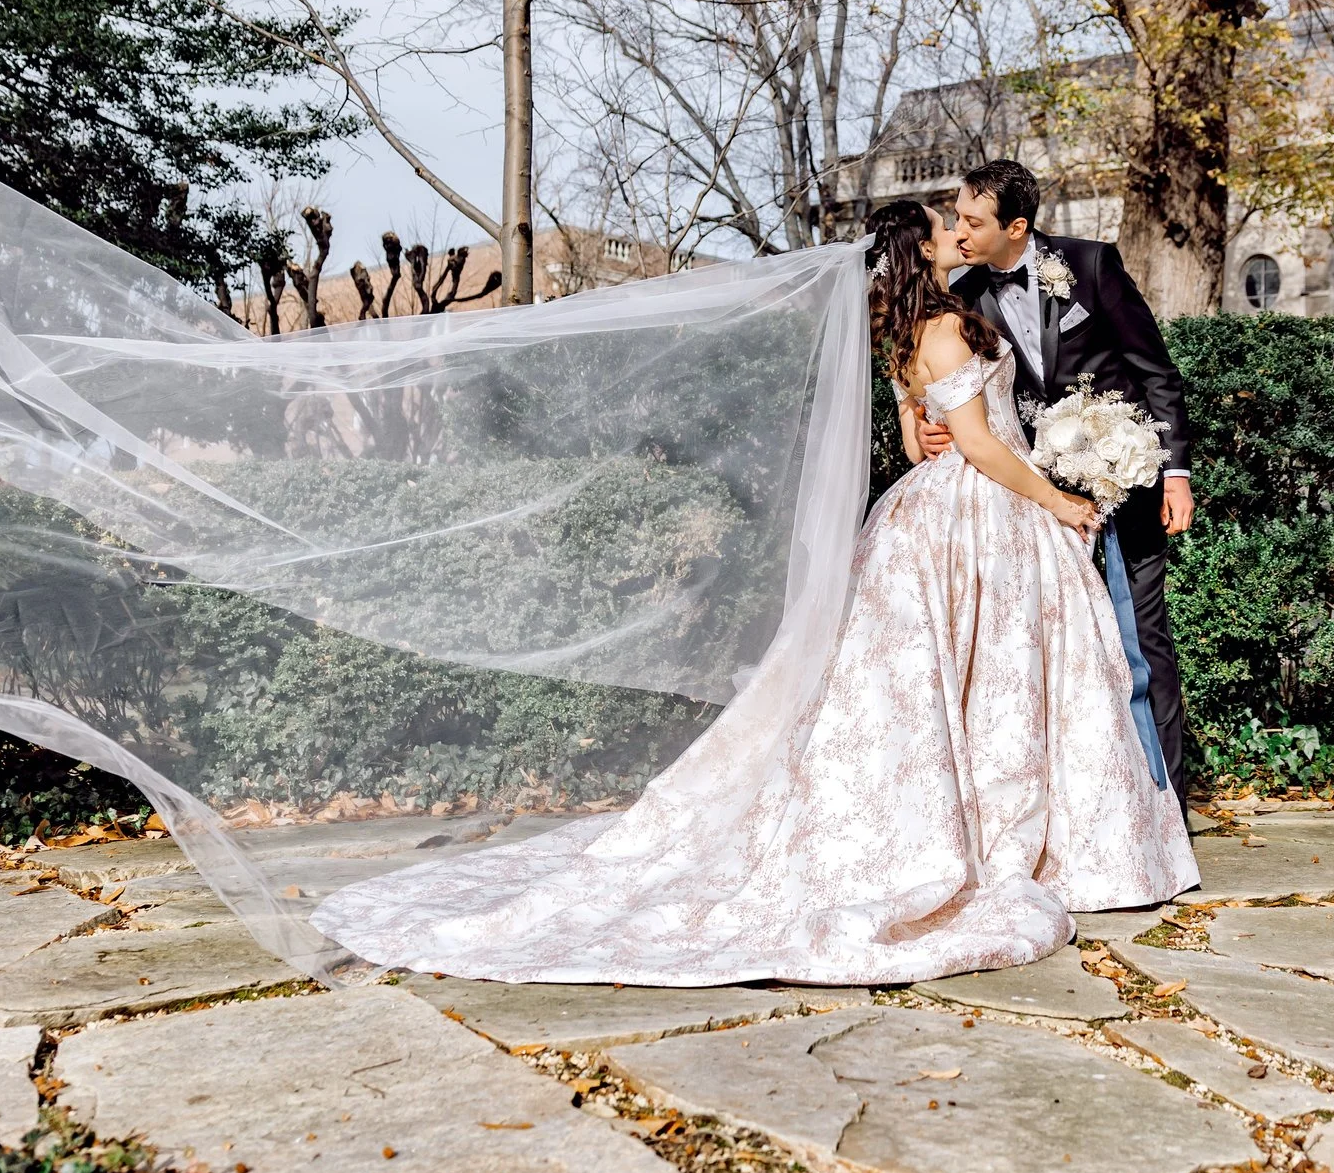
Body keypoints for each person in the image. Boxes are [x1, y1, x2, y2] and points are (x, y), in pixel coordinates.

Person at [309, 198, 1197, 983]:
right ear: (921, 252)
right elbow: (974, 442)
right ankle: (1003, 837)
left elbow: (912, 422)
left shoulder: (903, 330)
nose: (954, 234)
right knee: (994, 679)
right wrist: (1054, 497)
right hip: (983, 507)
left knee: (954, 683)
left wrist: (931, 433)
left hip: (940, 514)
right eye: (942, 229)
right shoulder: (945, 328)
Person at [937, 160, 1196, 802]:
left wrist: (1175, 471)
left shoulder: (1092, 265)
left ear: (1016, 227)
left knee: (1140, 639)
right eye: (957, 219)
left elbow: (1154, 371)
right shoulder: (964, 298)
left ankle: (1165, 802)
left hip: (1126, 483)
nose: (960, 231)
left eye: (973, 221)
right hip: (1037, 503)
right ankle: (1094, 803)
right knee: (1067, 653)